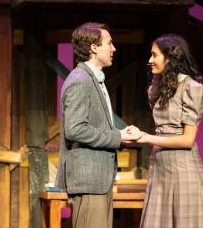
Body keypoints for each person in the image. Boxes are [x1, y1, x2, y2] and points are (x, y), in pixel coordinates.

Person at [55, 22, 141, 228]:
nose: (114, 48)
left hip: (97, 181)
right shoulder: (80, 80)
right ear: (94, 47)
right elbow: (75, 129)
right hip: (89, 180)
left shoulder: (93, 79)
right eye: (109, 43)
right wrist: (117, 137)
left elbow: (91, 125)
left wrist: (120, 135)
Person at [136, 34, 203, 228]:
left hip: (183, 169)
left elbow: (187, 140)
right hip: (161, 166)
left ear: (170, 58)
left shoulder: (192, 88)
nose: (150, 60)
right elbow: (160, 131)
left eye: (154, 55)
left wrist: (146, 137)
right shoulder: (155, 89)